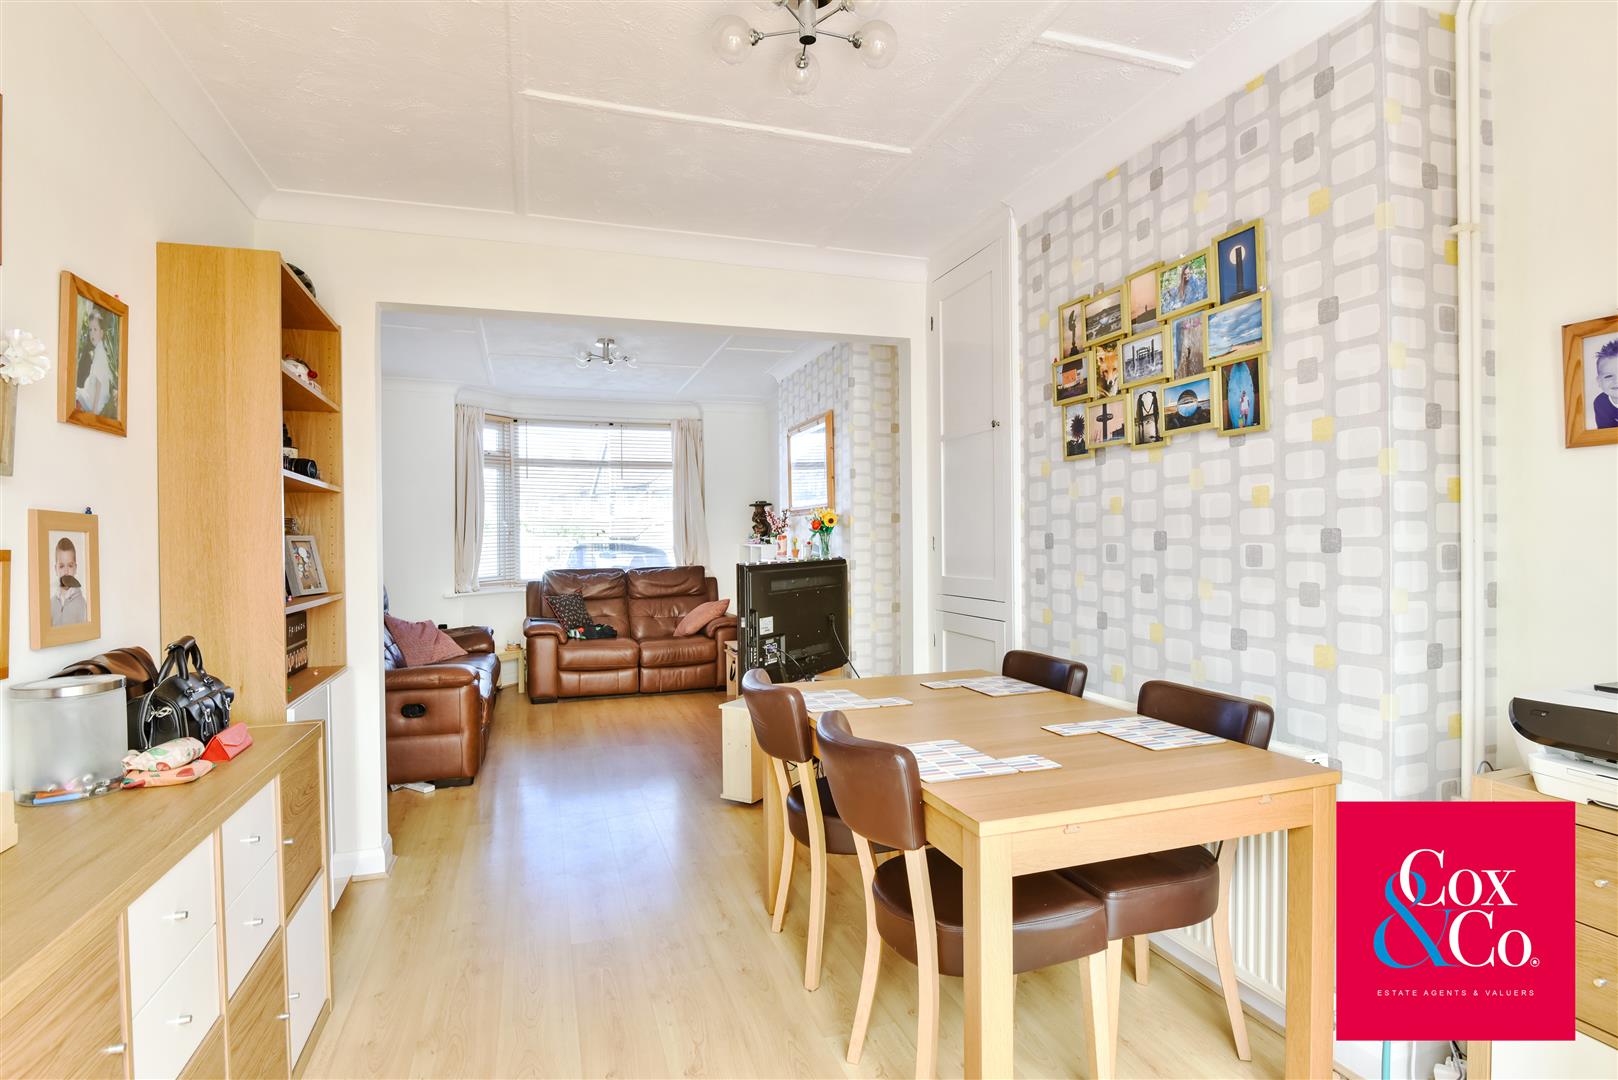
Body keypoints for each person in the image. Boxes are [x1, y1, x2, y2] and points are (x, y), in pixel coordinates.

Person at [75, 307, 116, 417]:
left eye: (95, 329)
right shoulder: (99, 349)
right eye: (90, 330)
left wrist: (94, 410)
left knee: (76, 394)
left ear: (101, 333)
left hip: (95, 401)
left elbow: (99, 382)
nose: (92, 333)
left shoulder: (100, 353)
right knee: (76, 392)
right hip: (92, 395)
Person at [51, 537, 88, 627]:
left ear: (75, 568)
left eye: (70, 566)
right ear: (56, 569)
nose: (66, 571)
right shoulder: (50, 603)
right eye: (61, 566)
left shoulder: (82, 604)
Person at [1593, 340, 1618, 429]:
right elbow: (1604, 433)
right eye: (1608, 376)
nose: (1616, 381)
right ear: (1599, 382)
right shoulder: (1600, 403)